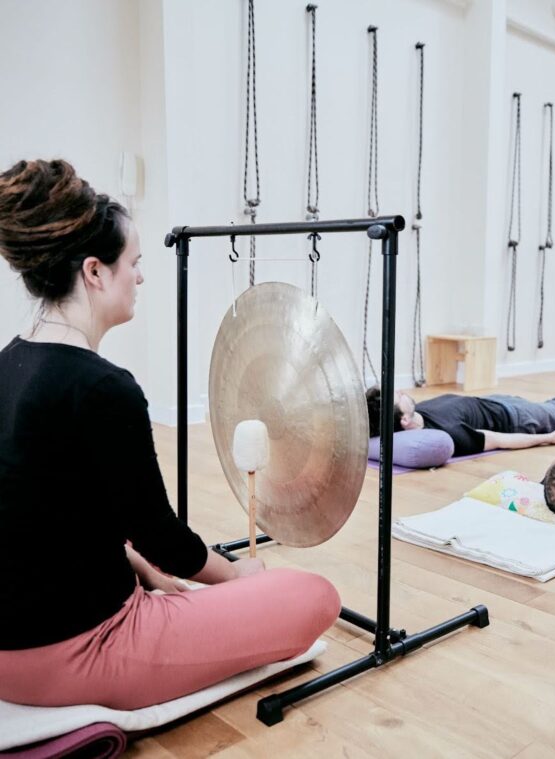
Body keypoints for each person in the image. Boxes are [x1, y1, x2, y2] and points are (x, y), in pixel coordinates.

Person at [0, 159, 340, 710]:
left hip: (7, 653)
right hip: (78, 652)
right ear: (93, 271)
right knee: (314, 596)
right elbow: (161, 536)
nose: (139, 276)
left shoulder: (7, 363)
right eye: (133, 263)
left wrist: (140, 568)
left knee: (131, 541)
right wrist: (238, 576)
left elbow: (35, 509)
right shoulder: (103, 388)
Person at [366, 383, 555, 457]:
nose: (400, 391)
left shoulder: (415, 414)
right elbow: (499, 440)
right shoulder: (446, 434)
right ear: (404, 420)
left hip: (492, 400)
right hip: (515, 419)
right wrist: (549, 438)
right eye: (396, 396)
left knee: (550, 407)